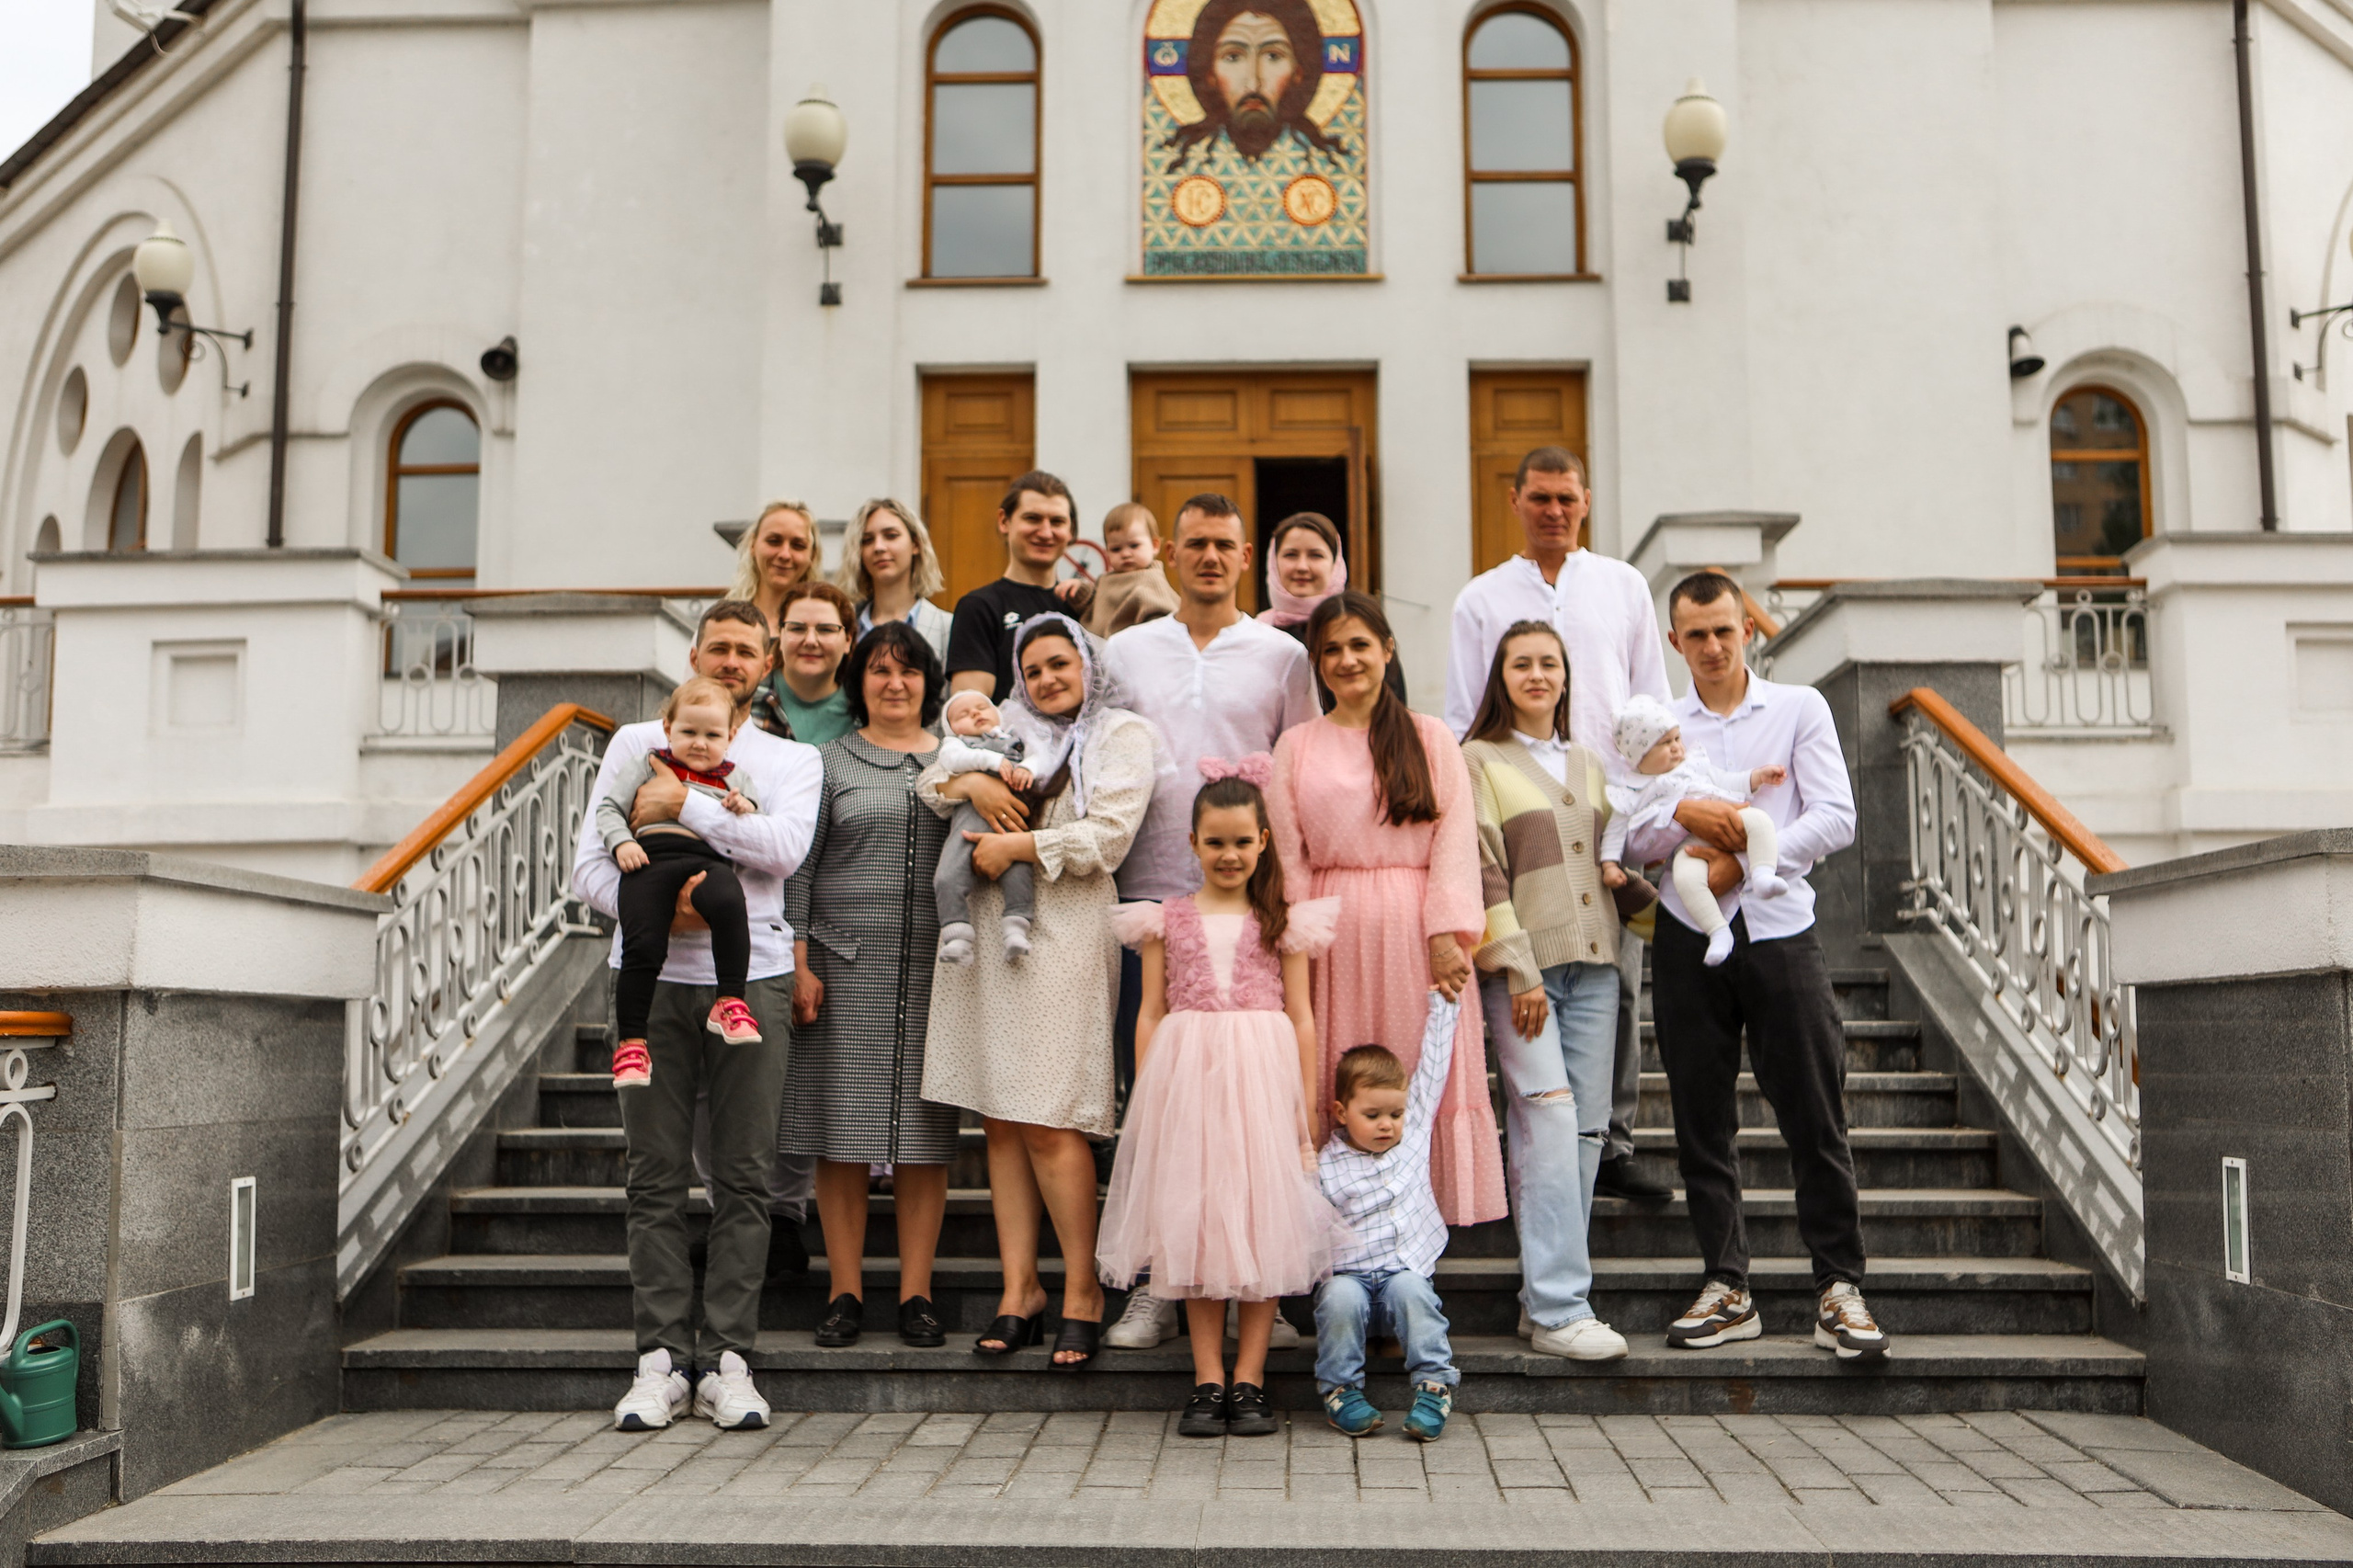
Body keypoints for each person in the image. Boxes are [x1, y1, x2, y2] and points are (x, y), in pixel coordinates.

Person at [572, 600, 823, 1433]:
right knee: (653, 1177)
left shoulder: (791, 759)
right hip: (648, 982)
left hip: (753, 980)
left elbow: (783, 851)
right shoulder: (633, 742)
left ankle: (726, 1361)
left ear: (768, 663)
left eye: (747, 650)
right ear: (693, 654)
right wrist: (669, 912)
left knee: (744, 1176)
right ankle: (659, 1362)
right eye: (718, 647)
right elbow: (588, 871)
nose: (731, 661)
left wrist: (685, 803)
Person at [1620, 571, 1882, 1361]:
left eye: (1722, 631)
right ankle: (1728, 1285)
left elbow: (1834, 816)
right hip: (1686, 937)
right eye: (1694, 634)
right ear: (1674, 641)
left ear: (1747, 631)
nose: (1710, 646)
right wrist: (1677, 814)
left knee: (1812, 1109)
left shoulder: (1799, 708)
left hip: (1778, 930)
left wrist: (1738, 865)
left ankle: (1838, 1286)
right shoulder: (1658, 724)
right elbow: (1629, 836)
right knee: (1702, 1117)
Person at [1099, 493, 1319, 1351]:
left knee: (1252, 1113)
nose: (1209, 558)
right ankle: (1160, 1276)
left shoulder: (1282, 655)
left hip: (1250, 905)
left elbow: (1297, 772)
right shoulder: (1124, 651)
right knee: (1159, 1103)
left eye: (1225, 545)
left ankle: (1269, 1273)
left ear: (1246, 553)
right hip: (1147, 895)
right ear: (1164, 549)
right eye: (1193, 543)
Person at [921, 613, 1156, 1369]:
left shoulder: (1121, 734)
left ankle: (1082, 1288)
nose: (1050, 679)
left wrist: (1018, 844)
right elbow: (931, 779)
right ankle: (1019, 1288)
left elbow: (1109, 836)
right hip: (989, 929)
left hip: (1068, 927)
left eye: (1063, 664)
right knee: (999, 1117)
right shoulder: (1001, 724)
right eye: (1037, 669)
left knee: (1051, 1118)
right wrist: (972, 784)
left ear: (1089, 666)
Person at [1443, 446, 1672, 1204]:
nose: (1554, 511)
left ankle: (1612, 1141)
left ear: (1586, 500)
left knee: (1620, 984)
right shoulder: (1482, 598)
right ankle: (1532, 1141)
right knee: (1520, 983)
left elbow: (1651, 701)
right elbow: (1459, 714)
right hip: (1519, 809)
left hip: (1609, 809)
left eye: (1566, 498)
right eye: (1539, 497)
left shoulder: (1622, 585)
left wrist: (1647, 805)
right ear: (1515, 500)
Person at [1098, 759, 1344, 1439]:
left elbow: (1301, 1016)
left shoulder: (1283, 920)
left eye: (1242, 841)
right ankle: (1207, 1378)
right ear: (1193, 843)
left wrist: (1304, 1108)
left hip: (1262, 1081)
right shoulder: (1164, 919)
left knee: (1261, 1223)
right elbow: (1149, 1011)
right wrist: (1147, 1094)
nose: (1229, 854)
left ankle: (1251, 1379)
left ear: (1264, 841)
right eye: (1215, 842)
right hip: (1190, 1081)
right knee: (1198, 1226)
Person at [1267, 591, 1504, 1228]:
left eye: (1360, 645)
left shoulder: (1429, 737)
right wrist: (1293, 937)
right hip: (1327, 939)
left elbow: (1455, 840)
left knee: (1411, 1076)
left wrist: (1447, 933)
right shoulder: (1296, 746)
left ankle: (1410, 1252)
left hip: (1413, 931)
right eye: (1332, 650)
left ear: (1387, 649)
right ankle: (1334, 1246)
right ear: (1316, 663)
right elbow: (1288, 856)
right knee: (1336, 1080)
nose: (1347, 660)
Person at [782, 622, 960, 1350]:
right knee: (841, 1137)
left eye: (910, 671)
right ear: (859, 682)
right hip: (842, 968)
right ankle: (845, 1291)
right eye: (881, 671)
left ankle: (916, 1294)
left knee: (926, 1138)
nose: (895, 684)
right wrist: (798, 958)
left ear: (929, 682)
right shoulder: (827, 762)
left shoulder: (959, 762)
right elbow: (798, 867)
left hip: (939, 974)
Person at [593, 676, 765, 1088]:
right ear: (668, 729)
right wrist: (620, 845)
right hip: (648, 862)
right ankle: (632, 1045)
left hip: (704, 863)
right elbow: (609, 810)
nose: (700, 743)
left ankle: (729, 1001)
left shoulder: (734, 775)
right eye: (688, 732)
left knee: (729, 903)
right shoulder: (649, 763)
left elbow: (755, 814)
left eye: (712, 734)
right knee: (642, 944)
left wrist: (744, 805)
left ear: (731, 736)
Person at [1314, 995, 1464, 1444]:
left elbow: (1433, 1072)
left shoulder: (1412, 1137)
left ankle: (1434, 1388)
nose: (1387, 1125)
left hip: (1402, 1273)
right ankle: (1341, 1392)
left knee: (1415, 1292)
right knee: (1337, 1298)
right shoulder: (1326, 1165)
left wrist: (1446, 1005)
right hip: (1351, 1280)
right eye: (1373, 1115)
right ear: (1342, 1113)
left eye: (1395, 1114)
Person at [1603, 693, 1788, 968]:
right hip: (1689, 846)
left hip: (1729, 815)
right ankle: (1717, 931)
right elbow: (1616, 830)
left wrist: (1757, 777)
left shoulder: (1694, 766)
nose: (1677, 748)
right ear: (1639, 756)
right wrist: (1609, 864)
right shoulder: (1632, 791)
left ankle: (1762, 873)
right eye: (1664, 743)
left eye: (1677, 739)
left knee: (1760, 821)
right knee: (1686, 879)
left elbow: (1727, 779)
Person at [946, 472, 1077, 701]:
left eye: (1057, 521)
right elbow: (971, 712)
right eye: (1032, 519)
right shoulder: (979, 608)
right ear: (1004, 521)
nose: (1046, 532)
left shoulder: (1082, 605)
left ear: (1071, 531)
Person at [930, 689, 1037, 964]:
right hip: (969, 823)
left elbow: (1043, 758)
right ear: (951, 728)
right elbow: (953, 761)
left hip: (1009, 826)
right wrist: (991, 761)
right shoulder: (956, 746)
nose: (975, 713)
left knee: (1019, 876)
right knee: (947, 876)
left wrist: (1030, 769)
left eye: (982, 707)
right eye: (963, 714)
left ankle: (1016, 930)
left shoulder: (1017, 739)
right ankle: (957, 934)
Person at [839, 497, 953, 662]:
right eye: (867, 540)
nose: (879, 547)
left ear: (915, 544)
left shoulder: (947, 628)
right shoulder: (844, 627)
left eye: (891, 536)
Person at [751, 582, 858, 745]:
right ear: (780, 635)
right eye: (797, 629)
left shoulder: (864, 714)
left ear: (848, 640)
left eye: (826, 630)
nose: (810, 641)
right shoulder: (748, 700)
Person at [1079, 502, 1180, 639]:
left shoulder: (1150, 579)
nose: (1125, 554)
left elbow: (1163, 619)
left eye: (1134, 546)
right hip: (1097, 651)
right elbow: (1094, 612)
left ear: (1154, 545)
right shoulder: (1106, 579)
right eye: (1116, 549)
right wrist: (1080, 595)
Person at [728, 499, 820, 642]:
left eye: (798, 545)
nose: (784, 554)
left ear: (812, 555)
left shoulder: (825, 630)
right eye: (774, 541)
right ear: (753, 544)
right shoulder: (723, 623)